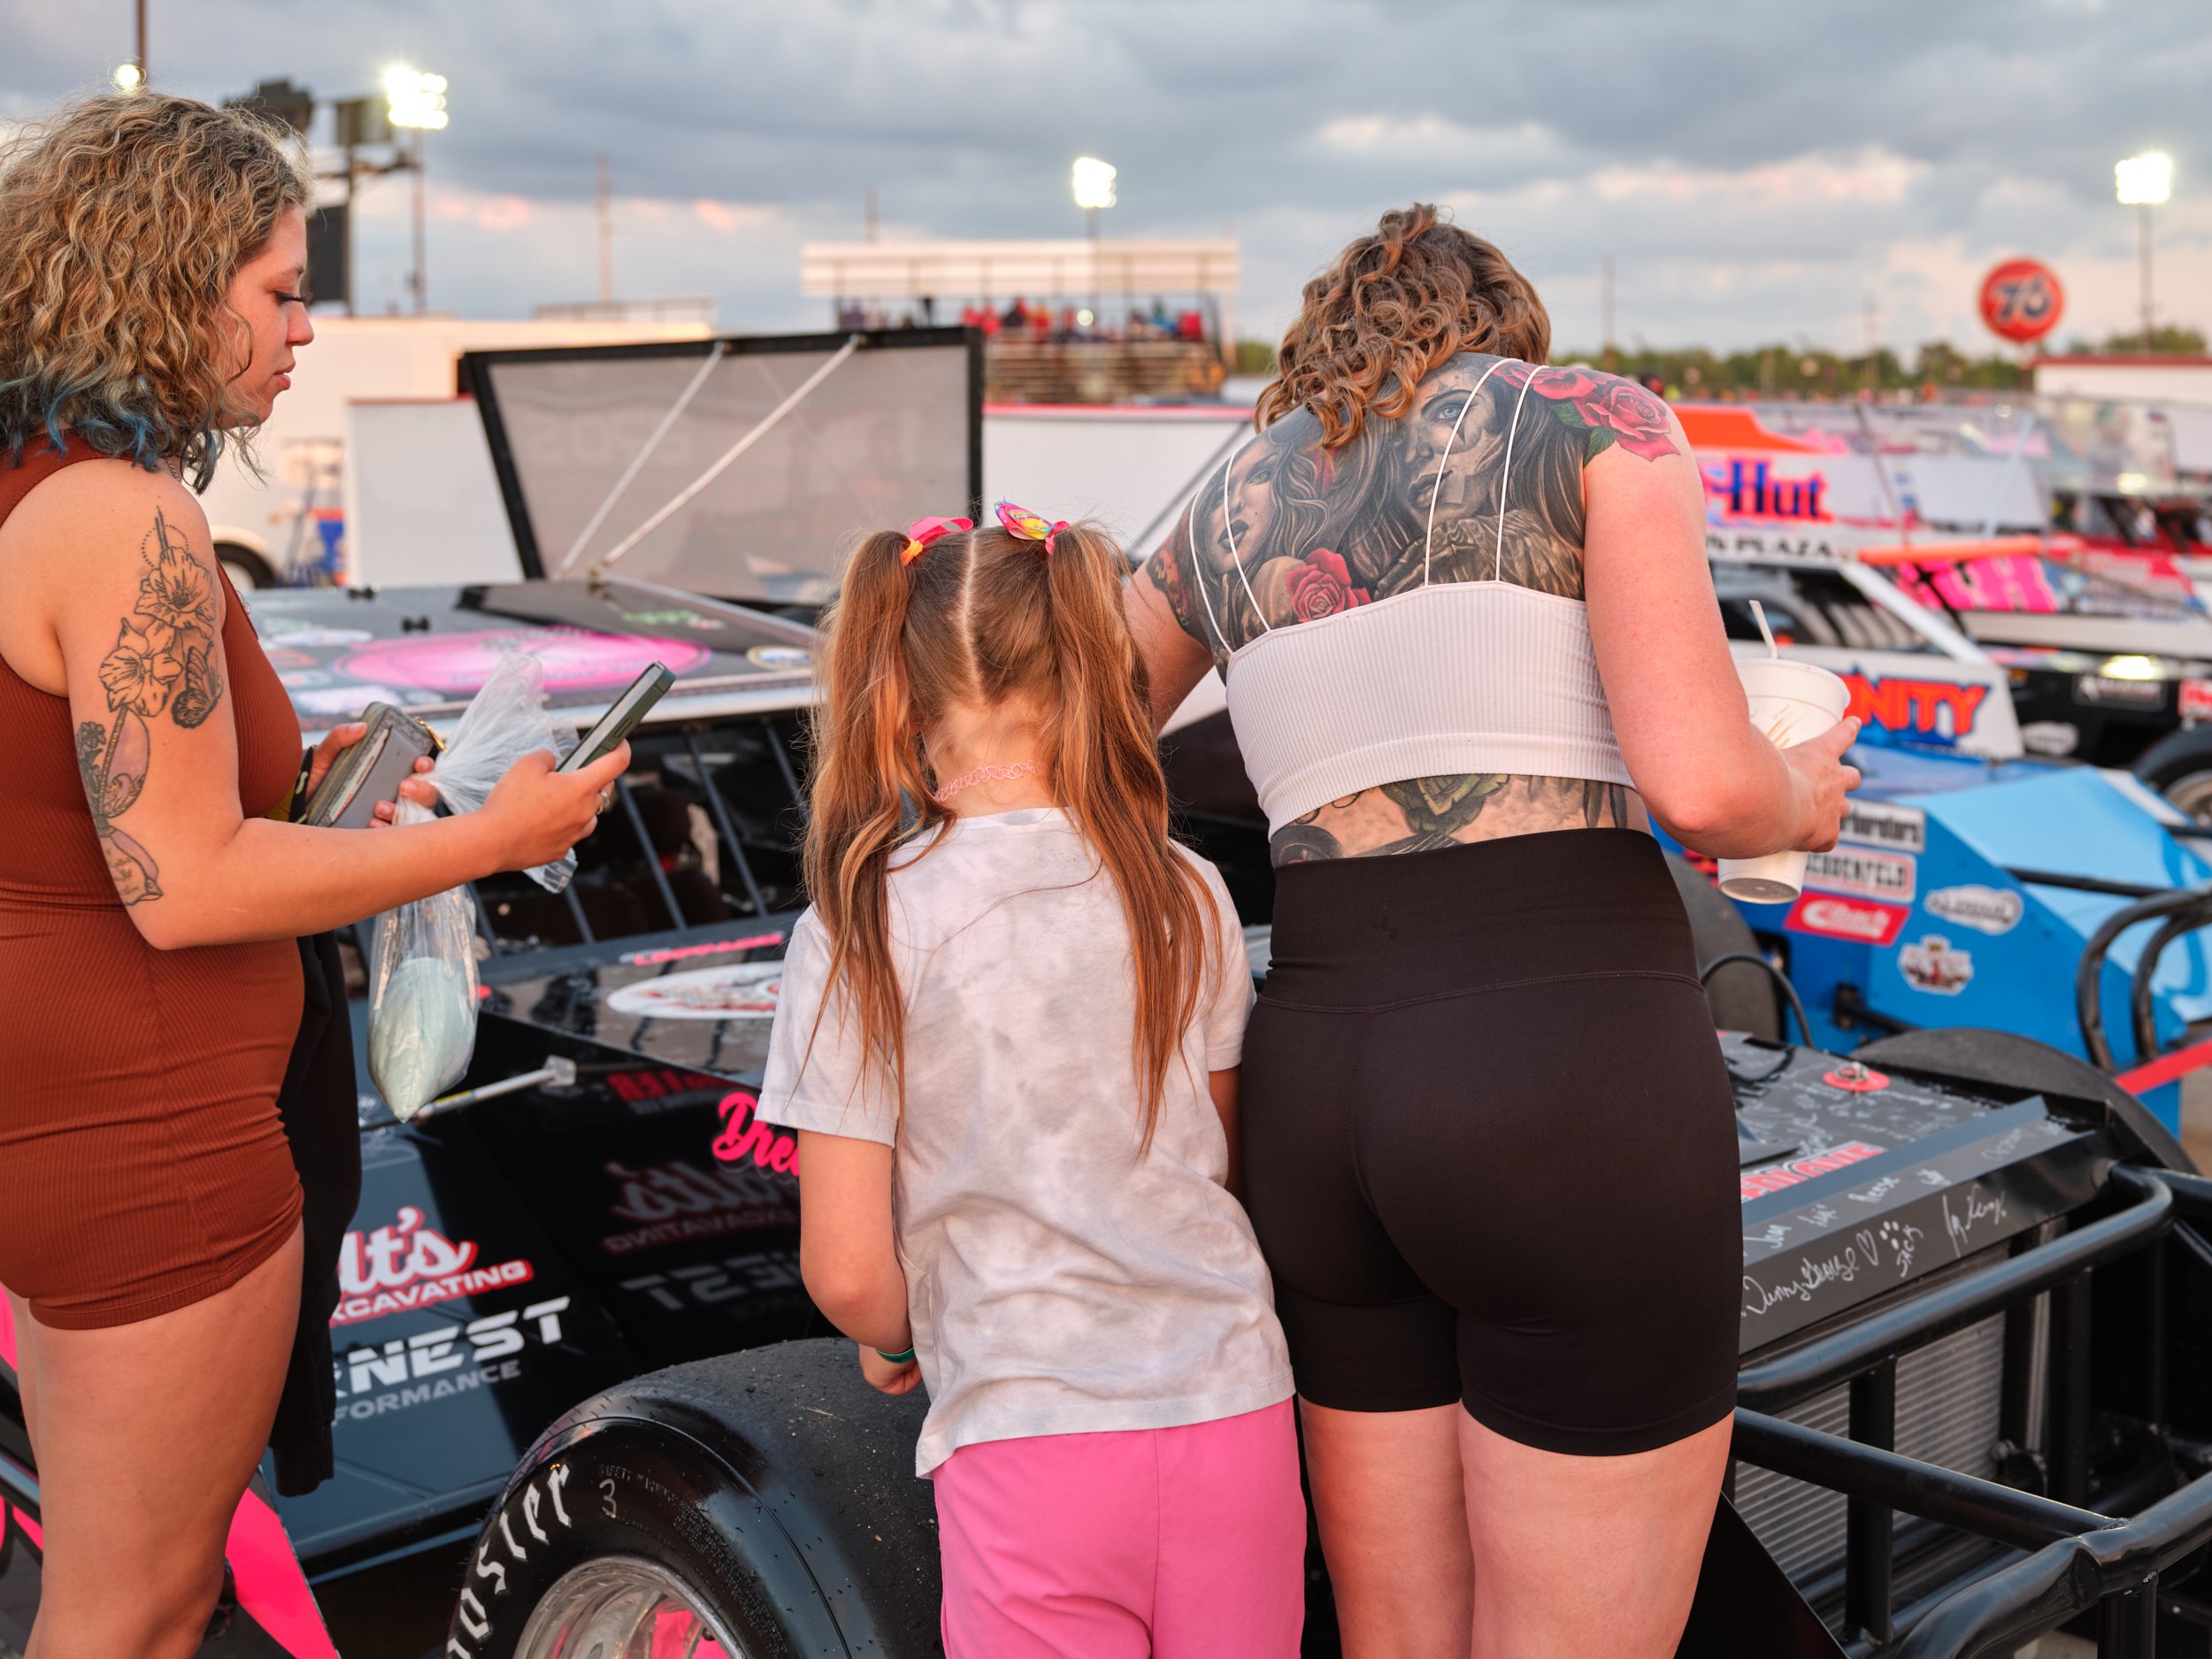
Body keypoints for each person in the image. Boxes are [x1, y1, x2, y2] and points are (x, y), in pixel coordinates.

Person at [1125, 204, 1860, 1659]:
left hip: (1319, 1086)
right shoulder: (1597, 424)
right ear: (1506, 326)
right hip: (1559, 1070)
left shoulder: (1229, 499)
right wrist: (1803, 795)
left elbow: (1068, 756)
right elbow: (1706, 789)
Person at [0, 93, 633, 1659]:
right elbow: (187, 885)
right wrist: (498, 836)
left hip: (73, 1115)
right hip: (149, 1139)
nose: (304, 333)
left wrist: (318, 791)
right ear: (164, 280)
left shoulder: (34, 491)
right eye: (280, 290)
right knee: (135, 1619)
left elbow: (89, 815)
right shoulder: (128, 520)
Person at [756, 506, 1304, 1657]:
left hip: (1026, 1431)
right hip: (1233, 1410)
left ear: (893, 699)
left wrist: (901, 1337)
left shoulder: (860, 921)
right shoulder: (1186, 890)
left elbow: (850, 1270)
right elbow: (1223, 1161)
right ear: (1094, 673)